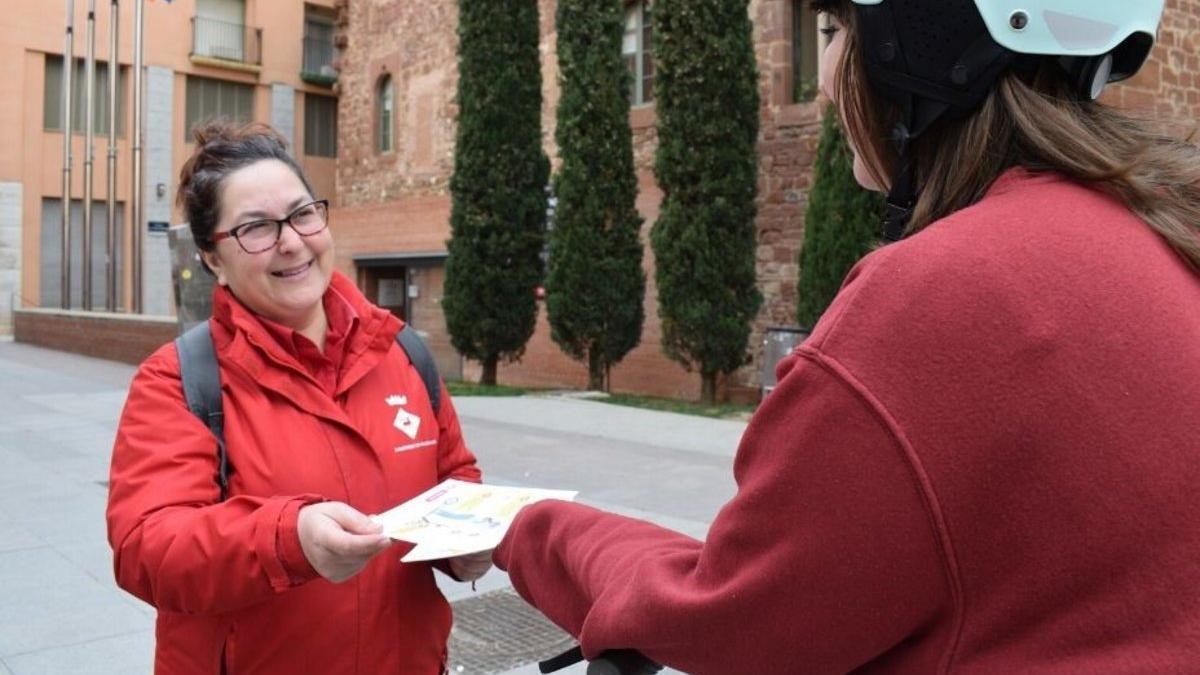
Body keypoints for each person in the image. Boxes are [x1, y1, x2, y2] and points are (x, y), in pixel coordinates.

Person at [495, 1, 1200, 673]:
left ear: (922, 45)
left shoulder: (945, 291)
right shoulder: (1158, 239)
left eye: (834, 30)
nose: (827, 79)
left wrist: (526, 528)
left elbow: (735, 618)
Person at [106, 122, 491, 675]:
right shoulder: (179, 379)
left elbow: (455, 475)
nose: (291, 241)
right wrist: (289, 539)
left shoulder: (401, 350)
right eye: (256, 228)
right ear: (213, 258)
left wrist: (465, 546)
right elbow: (148, 550)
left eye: (302, 213)